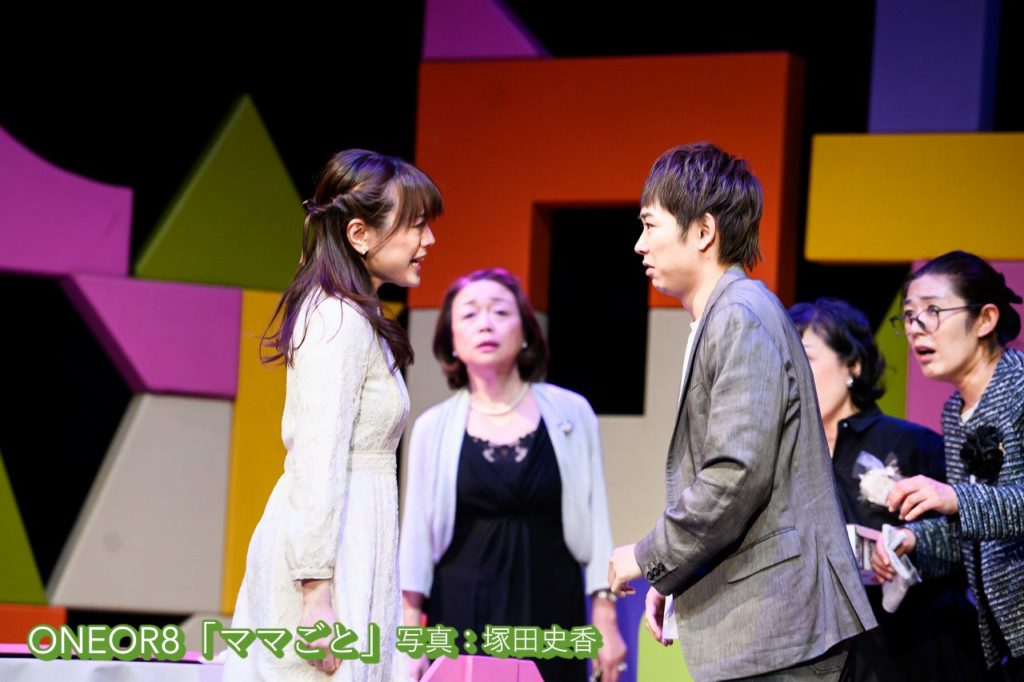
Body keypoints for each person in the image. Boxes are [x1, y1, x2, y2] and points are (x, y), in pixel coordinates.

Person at [606, 142, 875, 681]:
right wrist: (674, 575)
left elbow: (734, 475)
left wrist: (647, 555)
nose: (639, 244)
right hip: (768, 628)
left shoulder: (739, 315)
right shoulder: (728, 314)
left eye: (650, 225)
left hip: (780, 628)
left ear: (703, 231)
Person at [224, 149, 442, 681]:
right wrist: (316, 593)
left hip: (355, 538)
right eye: (416, 225)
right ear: (360, 234)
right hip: (330, 555)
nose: (429, 240)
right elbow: (317, 457)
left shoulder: (356, 316)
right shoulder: (336, 319)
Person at [399, 268, 627, 682]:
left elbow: (597, 523)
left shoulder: (571, 413)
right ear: (452, 339)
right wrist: (411, 633)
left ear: (524, 332)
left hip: (553, 613)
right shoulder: (433, 427)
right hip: (460, 614)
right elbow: (416, 538)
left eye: (500, 312)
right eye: (470, 314)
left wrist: (605, 617)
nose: (485, 323)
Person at [790, 297, 986, 681]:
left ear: (853, 365)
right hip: (821, 658)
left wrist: (908, 549)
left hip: (916, 653)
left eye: (806, 357)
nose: (793, 372)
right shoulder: (785, 456)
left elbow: (970, 543)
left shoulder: (914, 444)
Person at [872, 250, 1024, 677]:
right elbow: (973, 532)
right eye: (908, 316)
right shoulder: (955, 413)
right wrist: (914, 542)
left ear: (985, 319)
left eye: (933, 311)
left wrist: (955, 497)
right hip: (1006, 644)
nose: (915, 328)